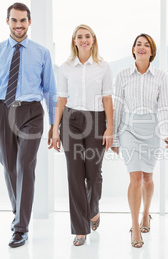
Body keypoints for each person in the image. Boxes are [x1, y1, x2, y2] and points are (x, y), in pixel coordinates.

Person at [0, 2, 57, 248]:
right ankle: (19, 213)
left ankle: (20, 228)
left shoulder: (42, 53)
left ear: (29, 22)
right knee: (9, 165)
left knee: (25, 164)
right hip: (3, 111)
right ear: (8, 22)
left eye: (23, 20)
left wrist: (55, 123)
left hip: (32, 112)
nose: (19, 25)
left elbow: (50, 91)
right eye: (14, 20)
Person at [52, 24, 113, 246]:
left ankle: (93, 208)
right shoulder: (65, 67)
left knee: (94, 174)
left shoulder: (103, 67)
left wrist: (110, 128)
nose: (84, 40)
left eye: (87, 36)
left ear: (93, 40)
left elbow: (108, 99)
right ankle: (80, 228)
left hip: (96, 121)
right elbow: (61, 100)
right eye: (80, 37)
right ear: (74, 41)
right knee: (75, 176)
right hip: (71, 121)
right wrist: (55, 129)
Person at [111, 33, 168, 248]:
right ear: (133, 49)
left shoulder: (160, 76)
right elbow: (117, 106)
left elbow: (164, 105)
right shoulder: (122, 75)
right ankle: (135, 227)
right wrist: (115, 137)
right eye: (138, 44)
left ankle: (146, 213)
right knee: (135, 178)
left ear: (151, 51)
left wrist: (167, 131)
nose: (142, 47)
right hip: (129, 129)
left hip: (152, 130)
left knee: (148, 177)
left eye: (146, 45)